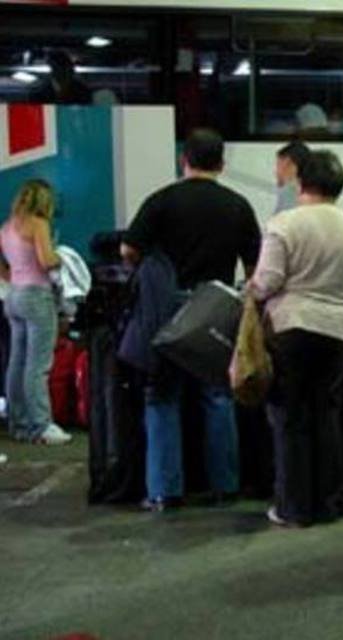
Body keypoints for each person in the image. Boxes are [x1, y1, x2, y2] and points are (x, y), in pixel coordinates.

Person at [121, 128, 262, 511]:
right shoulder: (238, 205)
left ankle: (165, 491)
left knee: (162, 398)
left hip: (167, 313)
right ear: (221, 163)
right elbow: (254, 267)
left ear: (184, 159)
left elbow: (129, 249)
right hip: (214, 309)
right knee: (217, 397)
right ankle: (225, 485)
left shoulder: (162, 201)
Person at [249, 150, 343, 527]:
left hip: (292, 327)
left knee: (290, 418)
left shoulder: (284, 223)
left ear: (301, 182)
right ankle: (328, 503)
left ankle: (293, 506)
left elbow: (268, 281)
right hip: (337, 328)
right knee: (326, 415)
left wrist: (251, 289)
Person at [0, 180, 70, 445]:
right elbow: (46, 260)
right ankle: (41, 426)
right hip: (37, 296)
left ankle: (18, 423)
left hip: (14, 296)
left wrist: (11, 276)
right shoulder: (38, 223)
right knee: (38, 365)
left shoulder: (6, 227)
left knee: (16, 362)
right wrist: (61, 257)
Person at [274, 141, 311, 215]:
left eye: (278, 164)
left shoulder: (290, 191)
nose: (275, 172)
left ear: (288, 163)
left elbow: (278, 224)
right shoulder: (312, 193)